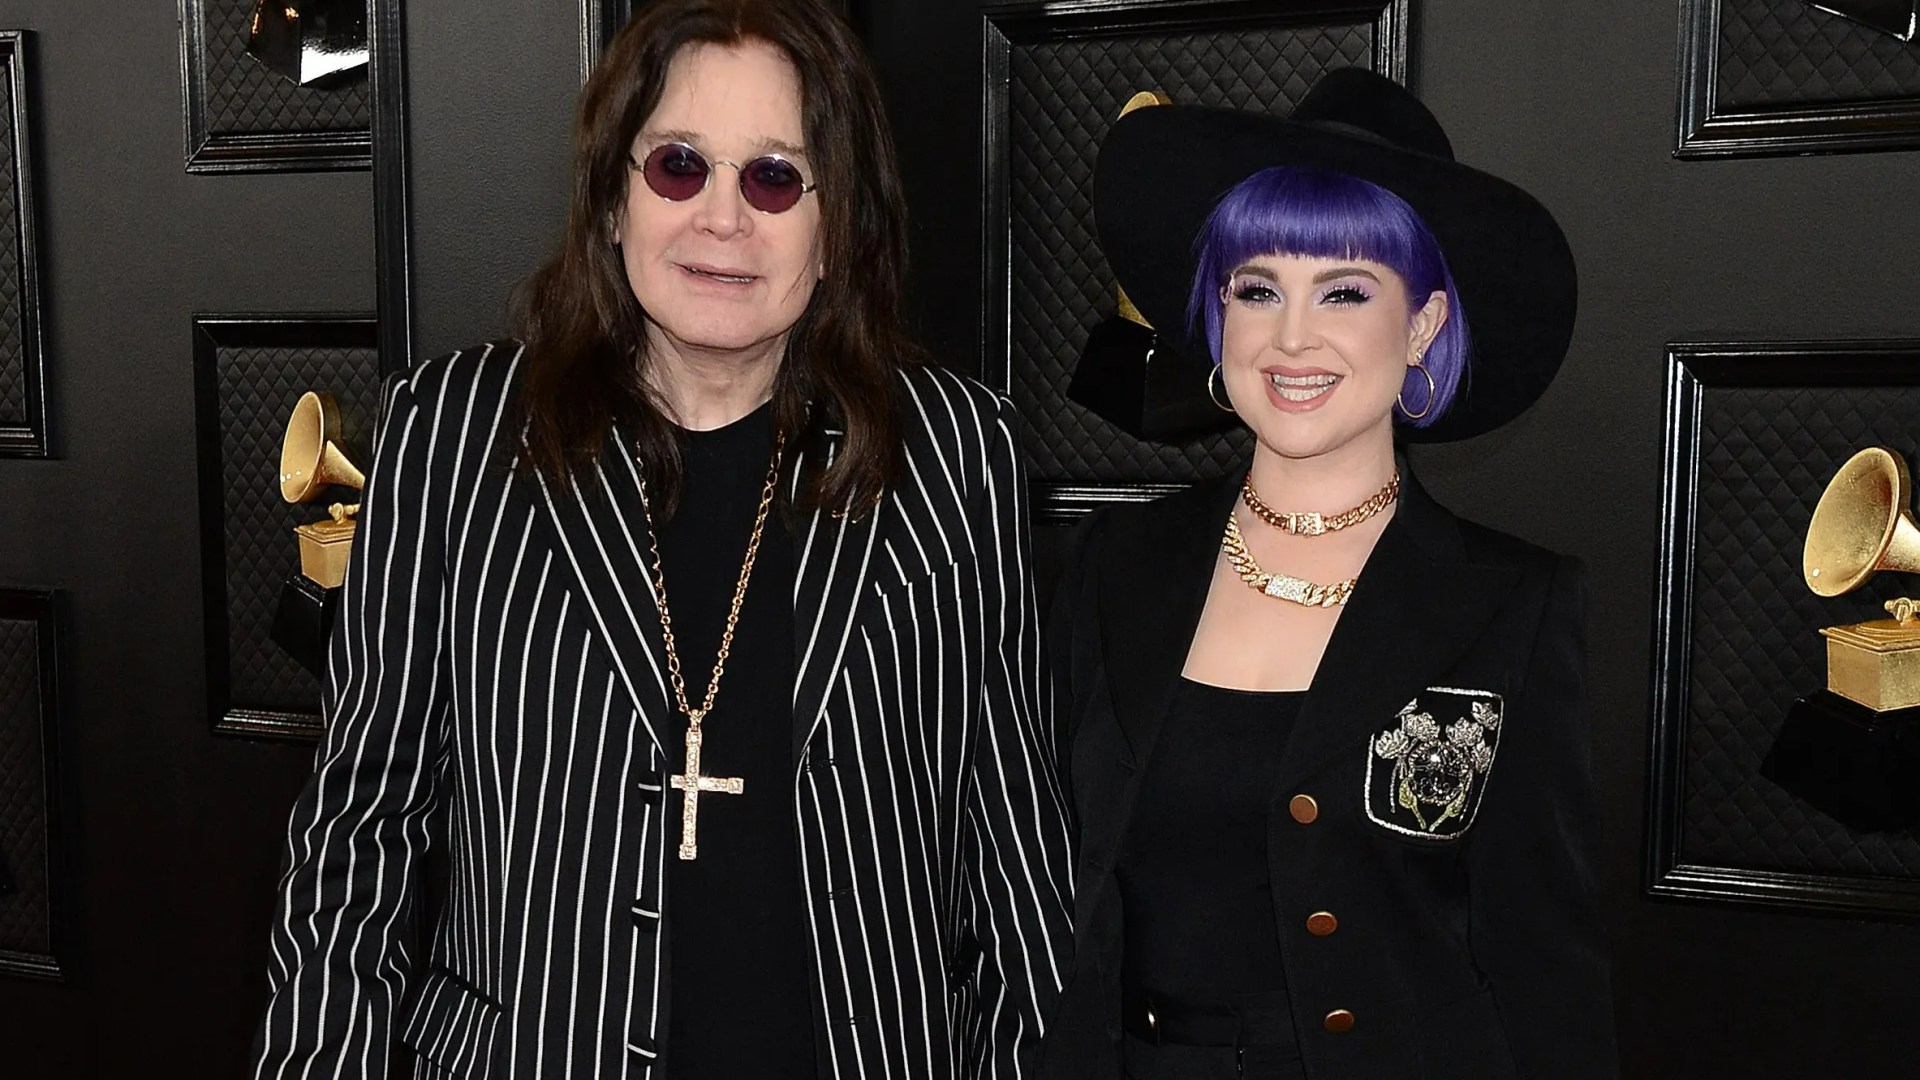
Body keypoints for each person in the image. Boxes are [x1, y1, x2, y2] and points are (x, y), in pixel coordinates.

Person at [251, 1, 1072, 1077]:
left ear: (838, 227)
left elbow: (1016, 856)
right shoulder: (455, 433)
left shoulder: (955, 453)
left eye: (774, 178)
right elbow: (361, 826)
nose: (722, 219)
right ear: (611, 200)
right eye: (679, 166)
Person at [1042, 69, 1616, 1079]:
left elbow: (1548, 973)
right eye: (1257, 289)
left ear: (1424, 324)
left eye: (1345, 291)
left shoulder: (1514, 605)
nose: (1291, 337)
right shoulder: (1111, 567)